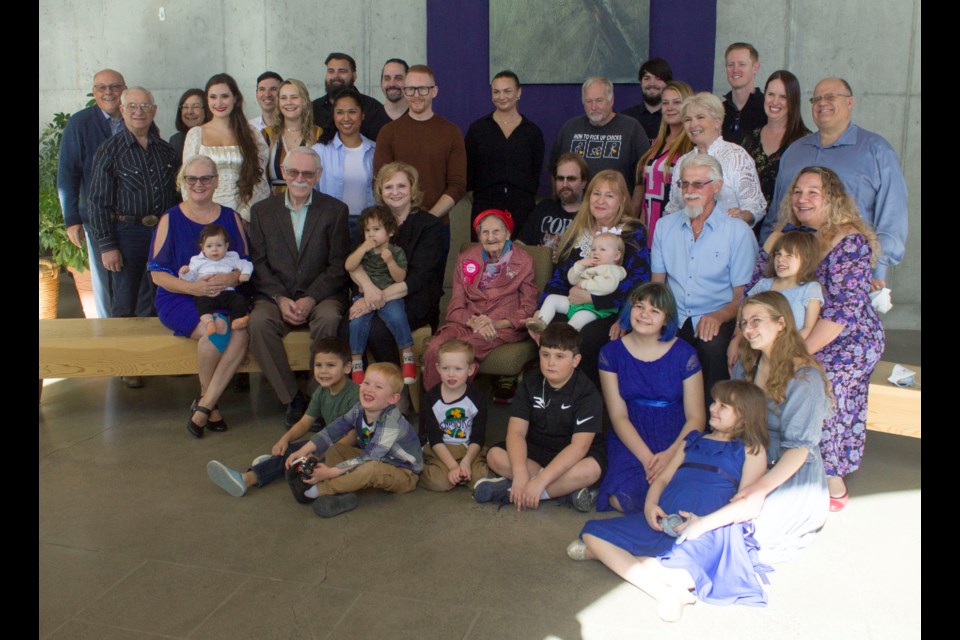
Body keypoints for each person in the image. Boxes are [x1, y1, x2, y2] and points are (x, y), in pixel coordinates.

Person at [570, 380, 770, 622]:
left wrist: (702, 524)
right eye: (714, 402)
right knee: (592, 534)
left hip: (708, 527)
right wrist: (649, 506)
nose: (713, 408)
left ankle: (614, 559)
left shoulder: (751, 449)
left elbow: (745, 502)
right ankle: (666, 593)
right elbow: (663, 479)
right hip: (667, 516)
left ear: (745, 417)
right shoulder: (693, 440)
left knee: (684, 574)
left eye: (723, 406)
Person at [761, 166, 883, 511]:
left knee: (817, 382)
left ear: (832, 198)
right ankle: (776, 464)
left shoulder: (849, 241)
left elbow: (843, 312)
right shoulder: (794, 236)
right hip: (799, 330)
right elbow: (763, 281)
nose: (803, 199)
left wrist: (796, 353)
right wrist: (771, 243)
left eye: (813, 192)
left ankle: (831, 479)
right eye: (798, 192)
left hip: (849, 338)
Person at [762, 77, 908, 291]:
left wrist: (866, 269)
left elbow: (892, 223)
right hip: (790, 281)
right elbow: (775, 218)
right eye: (817, 98)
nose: (822, 103)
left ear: (850, 102)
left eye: (831, 97)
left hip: (850, 279)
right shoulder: (795, 152)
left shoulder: (877, 151)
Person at [247, 147, 350, 427]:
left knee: (330, 318)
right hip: (275, 294)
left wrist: (311, 298)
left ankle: (317, 399)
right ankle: (291, 399)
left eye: (307, 173)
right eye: (293, 172)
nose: (300, 178)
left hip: (322, 294)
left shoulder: (336, 210)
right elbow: (258, 263)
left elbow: (338, 265)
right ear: (283, 171)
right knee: (258, 322)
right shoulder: (261, 211)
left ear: (318, 175)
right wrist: (280, 298)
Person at [148, 155, 250, 437]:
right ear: (183, 182)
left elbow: (244, 263)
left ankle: (204, 405)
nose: (199, 184)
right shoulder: (171, 218)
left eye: (206, 178)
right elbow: (157, 274)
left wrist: (228, 279)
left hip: (225, 295)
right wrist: (195, 288)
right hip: (180, 297)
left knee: (240, 333)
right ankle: (210, 404)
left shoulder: (231, 217)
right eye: (191, 178)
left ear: (217, 181)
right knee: (215, 333)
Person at [652, 154, 758, 414]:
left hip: (719, 314)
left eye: (699, 184)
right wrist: (657, 316)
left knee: (712, 346)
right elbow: (657, 286)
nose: (689, 192)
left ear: (718, 186)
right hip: (675, 314)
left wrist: (718, 316)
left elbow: (743, 297)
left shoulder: (738, 232)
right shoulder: (664, 227)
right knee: (650, 340)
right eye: (684, 184)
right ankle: (664, 420)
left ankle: (714, 423)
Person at [731, 291, 831, 561]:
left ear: (781, 323)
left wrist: (759, 488)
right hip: (749, 453)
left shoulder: (804, 378)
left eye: (756, 321)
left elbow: (798, 449)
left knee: (749, 536)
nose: (748, 329)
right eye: (743, 322)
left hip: (788, 465)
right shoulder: (745, 365)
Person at [595, 283, 705, 514]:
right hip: (632, 435)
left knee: (680, 496)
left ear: (666, 319)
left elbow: (696, 418)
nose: (644, 314)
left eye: (654, 311)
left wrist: (670, 455)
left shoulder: (685, 354)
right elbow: (618, 415)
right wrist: (647, 459)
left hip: (675, 436)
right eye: (639, 306)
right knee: (622, 498)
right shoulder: (610, 353)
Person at [474, 323, 604, 513]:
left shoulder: (587, 393)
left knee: (591, 470)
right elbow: (516, 432)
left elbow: (579, 447)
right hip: (536, 448)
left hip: (572, 455)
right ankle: (565, 491)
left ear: (575, 360)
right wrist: (519, 473)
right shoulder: (530, 382)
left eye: (559, 357)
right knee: (495, 456)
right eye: (545, 355)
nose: (551, 362)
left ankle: (514, 492)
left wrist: (540, 481)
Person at [205, 338, 359, 497]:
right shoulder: (321, 392)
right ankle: (258, 472)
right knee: (293, 451)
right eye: (318, 365)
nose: (323, 371)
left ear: (347, 367)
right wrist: (285, 439)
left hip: (349, 453)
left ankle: (257, 474)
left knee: (302, 461)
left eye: (331, 365)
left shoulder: (354, 396)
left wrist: (320, 453)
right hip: (327, 443)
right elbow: (305, 422)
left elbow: (352, 438)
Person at [541, 169, 650, 386]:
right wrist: (541, 307)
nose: (601, 201)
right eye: (596, 194)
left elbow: (638, 281)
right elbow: (559, 277)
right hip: (572, 304)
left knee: (587, 338)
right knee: (551, 332)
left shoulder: (632, 231)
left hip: (609, 309)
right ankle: (556, 399)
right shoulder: (578, 229)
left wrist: (597, 302)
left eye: (609, 196)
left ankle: (586, 400)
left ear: (622, 201)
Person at [88, 86, 181, 325]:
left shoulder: (166, 151)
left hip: (161, 233)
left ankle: (153, 357)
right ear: (122, 109)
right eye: (132, 106)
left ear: (154, 110)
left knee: (159, 297)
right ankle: (120, 357)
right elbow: (98, 202)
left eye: (145, 106)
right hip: (126, 234)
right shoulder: (109, 151)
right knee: (124, 301)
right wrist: (107, 246)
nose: (139, 111)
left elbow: (178, 195)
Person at [283, 362, 423, 519]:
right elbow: (333, 429)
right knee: (336, 448)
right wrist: (304, 450)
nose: (369, 389)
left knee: (371, 468)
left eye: (378, 387)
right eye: (366, 382)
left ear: (392, 399)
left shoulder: (392, 421)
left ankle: (320, 489)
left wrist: (331, 472)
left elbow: (369, 457)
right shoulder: (359, 408)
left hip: (403, 473)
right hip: (375, 458)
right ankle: (343, 491)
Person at [420, 209, 537, 390]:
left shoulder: (524, 261)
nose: (491, 237)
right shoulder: (466, 259)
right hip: (466, 323)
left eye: (496, 231)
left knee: (460, 353)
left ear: (507, 233)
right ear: (479, 236)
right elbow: (455, 307)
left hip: (500, 328)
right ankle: (434, 407)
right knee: (435, 347)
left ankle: (455, 409)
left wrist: (496, 324)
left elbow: (528, 308)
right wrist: (474, 321)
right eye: (485, 232)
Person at [347, 163, 448, 369]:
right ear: (380, 191)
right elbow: (353, 262)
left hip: (413, 298)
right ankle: (361, 389)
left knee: (378, 330)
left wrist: (373, 300)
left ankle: (394, 390)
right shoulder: (370, 221)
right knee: (346, 326)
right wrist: (368, 291)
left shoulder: (431, 227)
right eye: (388, 187)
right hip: (371, 292)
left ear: (412, 189)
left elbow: (419, 278)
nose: (395, 192)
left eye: (401, 186)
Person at [58, 68, 126, 320]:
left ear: (124, 89)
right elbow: (67, 174)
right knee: (105, 281)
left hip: (134, 218)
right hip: (97, 217)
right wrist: (72, 219)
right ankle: (109, 333)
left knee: (131, 280)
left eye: (115, 86)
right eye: (102, 87)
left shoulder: (135, 117)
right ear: (94, 92)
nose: (109, 92)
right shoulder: (80, 123)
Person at [373, 64, 467, 219]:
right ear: (404, 91)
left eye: (423, 89)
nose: (416, 95)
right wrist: (403, 218)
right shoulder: (388, 132)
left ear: (434, 91)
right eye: (411, 89)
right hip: (397, 224)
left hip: (437, 224)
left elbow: (457, 185)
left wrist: (429, 219)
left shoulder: (451, 132)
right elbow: (380, 181)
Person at [664, 92, 767, 228]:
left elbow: (755, 206)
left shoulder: (736, 155)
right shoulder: (682, 162)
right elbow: (673, 209)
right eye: (688, 119)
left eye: (700, 117)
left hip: (729, 240)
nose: (693, 124)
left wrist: (741, 215)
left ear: (717, 121)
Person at [465, 70, 545, 236]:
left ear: (518, 92)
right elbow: (469, 172)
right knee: (484, 258)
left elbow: (535, 173)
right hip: (485, 207)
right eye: (496, 92)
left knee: (520, 257)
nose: (501, 96)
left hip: (522, 209)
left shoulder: (532, 132)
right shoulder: (478, 129)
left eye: (507, 91)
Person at [183, 73, 270, 222]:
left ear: (235, 98)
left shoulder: (252, 134)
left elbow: (260, 181)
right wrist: (199, 214)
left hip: (243, 216)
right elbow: (187, 182)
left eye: (224, 96)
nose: (219, 103)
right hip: (204, 216)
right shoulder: (196, 134)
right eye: (213, 97)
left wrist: (244, 216)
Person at [345, 206, 416, 385]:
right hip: (364, 296)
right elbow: (349, 266)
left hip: (390, 297)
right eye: (367, 230)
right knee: (356, 323)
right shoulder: (364, 252)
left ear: (390, 231)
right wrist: (362, 248)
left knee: (398, 317)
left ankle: (407, 358)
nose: (371, 234)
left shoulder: (396, 251)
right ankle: (357, 364)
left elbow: (400, 278)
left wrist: (390, 261)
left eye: (376, 229)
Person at [550, 76, 650, 197]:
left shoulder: (632, 128)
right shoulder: (570, 128)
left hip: (616, 211)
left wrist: (633, 212)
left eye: (599, 100)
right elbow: (553, 171)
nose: (594, 107)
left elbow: (642, 179)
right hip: (574, 210)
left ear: (611, 100)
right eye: (589, 101)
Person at [740, 71, 810, 240]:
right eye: (771, 94)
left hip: (784, 236)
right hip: (746, 233)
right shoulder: (749, 138)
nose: (775, 102)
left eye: (783, 97)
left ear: (793, 101)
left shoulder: (805, 143)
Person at [419, 340, 491, 492]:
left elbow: (478, 436)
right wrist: (452, 465)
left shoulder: (478, 398)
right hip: (440, 449)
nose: (451, 374)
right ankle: (420, 469)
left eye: (458, 369)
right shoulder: (431, 398)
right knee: (439, 483)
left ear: (470, 369)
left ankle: (462, 471)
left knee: (479, 479)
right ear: (438, 368)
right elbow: (433, 437)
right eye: (446, 368)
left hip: (468, 449)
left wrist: (466, 462)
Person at [526, 232, 625, 333]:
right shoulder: (590, 265)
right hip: (575, 303)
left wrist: (583, 284)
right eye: (593, 249)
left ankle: (564, 336)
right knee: (552, 299)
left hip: (593, 309)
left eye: (602, 249)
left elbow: (607, 286)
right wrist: (580, 264)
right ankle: (541, 323)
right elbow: (572, 280)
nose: (596, 253)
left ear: (616, 255)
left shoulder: (614, 270)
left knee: (578, 319)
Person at [634, 80, 693, 246]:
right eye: (665, 103)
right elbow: (647, 192)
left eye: (676, 102)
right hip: (650, 228)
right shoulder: (657, 144)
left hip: (676, 231)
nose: (670, 107)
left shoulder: (692, 145)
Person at [313, 87, 376, 240]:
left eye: (352, 112)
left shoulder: (375, 150)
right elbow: (312, 192)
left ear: (362, 115)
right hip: (330, 226)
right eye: (340, 112)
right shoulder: (319, 151)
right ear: (333, 116)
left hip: (369, 227)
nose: (346, 118)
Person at [177, 223, 254, 335]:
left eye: (219, 245)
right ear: (202, 247)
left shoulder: (232, 257)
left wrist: (245, 274)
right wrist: (185, 273)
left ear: (226, 246)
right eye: (209, 246)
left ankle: (236, 320)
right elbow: (191, 278)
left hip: (227, 293)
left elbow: (247, 264)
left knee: (239, 300)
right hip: (206, 294)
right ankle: (209, 323)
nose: (214, 250)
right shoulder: (197, 260)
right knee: (201, 303)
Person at [516, 153, 589, 255]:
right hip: (538, 268)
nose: (564, 184)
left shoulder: (591, 213)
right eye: (560, 178)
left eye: (571, 179)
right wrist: (537, 253)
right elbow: (519, 244)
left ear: (584, 182)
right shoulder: (545, 207)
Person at [262, 79, 322, 194]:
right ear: (278, 102)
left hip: (311, 204)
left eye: (294, 97)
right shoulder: (267, 135)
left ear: (304, 100)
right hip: (274, 205)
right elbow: (259, 178)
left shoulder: (318, 134)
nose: (288, 102)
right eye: (283, 98)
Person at [311, 52, 389, 141]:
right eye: (331, 71)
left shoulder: (373, 108)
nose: (336, 76)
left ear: (354, 76)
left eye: (342, 71)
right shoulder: (313, 109)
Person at [721, 43, 766, 146]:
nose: (735, 70)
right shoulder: (718, 111)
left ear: (755, 67)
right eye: (731, 65)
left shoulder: (766, 110)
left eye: (742, 64)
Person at [622, 58, 674, 141]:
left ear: (668, 83)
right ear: (640, 82)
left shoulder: (675, 118)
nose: (652, 83)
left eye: (658, 79)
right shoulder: (625, 118)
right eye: (647, 78)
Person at [170, 88, 208, 159]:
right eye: (185, 107)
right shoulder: (176, 140)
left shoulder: (213, 136)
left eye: (196, 106)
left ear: (207, 110)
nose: (190, 112)